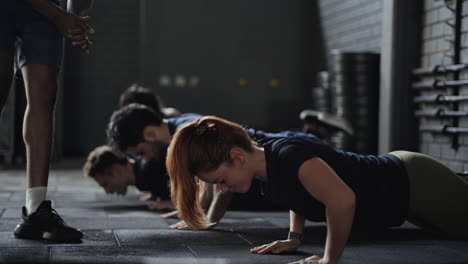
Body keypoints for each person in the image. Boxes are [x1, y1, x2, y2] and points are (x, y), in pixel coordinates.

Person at [166, 116, 468, 264]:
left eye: (220, 180)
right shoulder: (265, 168)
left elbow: (342, 201)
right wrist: (294, 238)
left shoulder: (287, 155)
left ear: (236, 156)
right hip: (404, 202)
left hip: (413, 181)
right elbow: (297, 193)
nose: (223, 189)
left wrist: (329, 260)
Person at [105, 103, 319, 228]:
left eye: (141, 152)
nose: (145, 160)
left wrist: (205, 221)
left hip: (295, 151)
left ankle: (318, 130)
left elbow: (218, 182)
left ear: (149, 134)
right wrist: (191, 212)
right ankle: (318, 130)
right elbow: (207, 182)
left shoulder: (187, 130)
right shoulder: (181, 126)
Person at [0, 0, 95, 242]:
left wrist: (74, 17)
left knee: (45, 95)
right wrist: (59, 16)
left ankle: (36, 210)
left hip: (45, 12)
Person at [83, 145, 175, 211]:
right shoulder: (143, 167)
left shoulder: (146, 176)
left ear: (116, 170)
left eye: (105, 184)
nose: (108, 191)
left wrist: (175, 204)